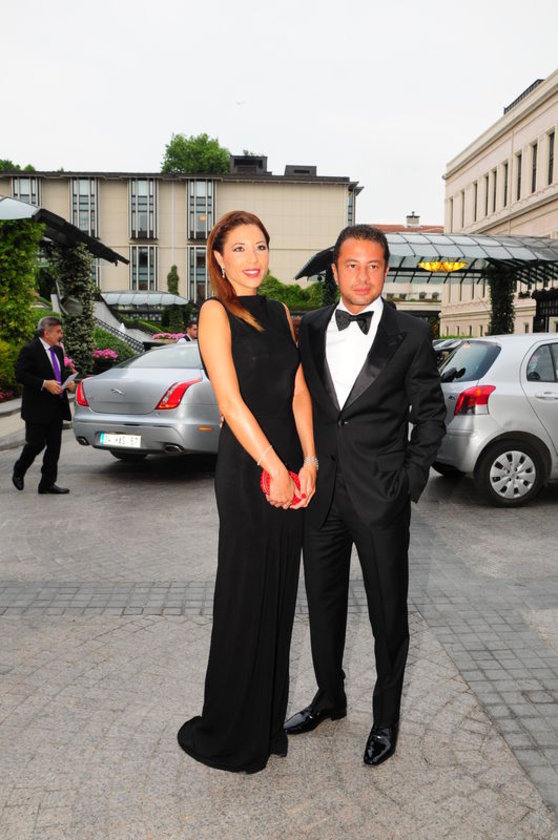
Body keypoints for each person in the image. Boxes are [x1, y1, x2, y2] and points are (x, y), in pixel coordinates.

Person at [284, 225, 446, 767]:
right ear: (334, 270)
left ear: (385, 270)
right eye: (352, 265)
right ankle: (329, 698)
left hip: (382, 499)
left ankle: (385, 718)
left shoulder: (412, 333)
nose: (362, 276)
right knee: (323, 605)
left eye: (373, 265)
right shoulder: (309, 326)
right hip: (320, 497)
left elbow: (431, 416)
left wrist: (409, 482)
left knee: (387, 615)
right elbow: (300, 401)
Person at [177, 210, 318, 773]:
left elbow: (299, 393)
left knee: (279, 594)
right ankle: (232, 729)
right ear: (218, 258)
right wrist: (275, 468)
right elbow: (230, 402)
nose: (253, 258)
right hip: (248, 467)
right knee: (245, 594)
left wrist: (308, 461)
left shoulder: (280, 312)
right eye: (239, 248)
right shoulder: (215, 312)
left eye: (260, 246)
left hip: (289, 466)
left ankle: (264, 724)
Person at [12, 316, 76, 494]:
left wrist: (69, 383)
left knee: (54, 447)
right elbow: (20, 374)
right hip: (36, 408)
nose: (61, 335)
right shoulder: (30, 350)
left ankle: (47, 483)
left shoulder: (58, 350)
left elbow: (59, 372)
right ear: (46, 333)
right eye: (58, 332)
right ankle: (19, 469)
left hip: (57, 406)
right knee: (36, 444)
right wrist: (44, 384)